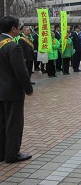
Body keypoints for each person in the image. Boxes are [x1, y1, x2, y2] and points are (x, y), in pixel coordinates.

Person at [0, 16, 33, 163]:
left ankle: (2, 153)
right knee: (14, 124)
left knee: (2, 123)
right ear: (13, 29)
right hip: (12, 92)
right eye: (19, 26)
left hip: (1, 90)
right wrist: (28, 88)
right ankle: (12, 154)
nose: (20, 28)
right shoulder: (13, 46)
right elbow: (21, 72)